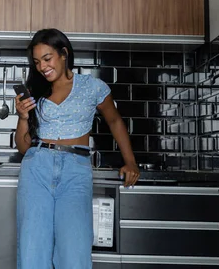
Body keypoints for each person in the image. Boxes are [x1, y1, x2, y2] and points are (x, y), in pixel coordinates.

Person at [15, 28, 140, 269]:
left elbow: (114, 121)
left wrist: (130, 161)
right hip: (36, 168)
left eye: (47, 58)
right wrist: (22, 117)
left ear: (64, 53)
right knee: (32, 251)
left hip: (75, 170)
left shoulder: (93, 87)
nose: (42, 66)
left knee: (75, 253)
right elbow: (23, 147)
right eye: (37, 61)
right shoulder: (36, 92)